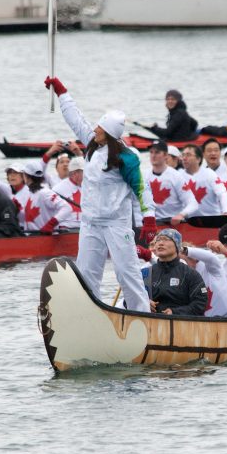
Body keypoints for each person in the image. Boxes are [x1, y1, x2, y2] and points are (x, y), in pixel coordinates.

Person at [45, 75, 156, 313]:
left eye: (100, 127)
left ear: (109, 132)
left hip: (116, 223)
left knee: (127, 272)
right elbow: (76, 120)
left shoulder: (127, 158)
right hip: (90, 223)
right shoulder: (93, 146)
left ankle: (143, 314)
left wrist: (149, 217)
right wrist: (61, 93)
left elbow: (141, 188)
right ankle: (89, 314)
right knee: (86, 273)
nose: (94, 129)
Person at [140, 228, 208, 315]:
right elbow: (128, 301)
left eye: (166, 239)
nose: (160, 243)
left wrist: (175, 312)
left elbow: (200, 304)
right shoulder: (145, 273)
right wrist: (143, 302)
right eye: (158, 240)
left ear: (177, 246)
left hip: (181, 324)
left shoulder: (190, 274)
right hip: (150, 324)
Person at [146, 141, 197, 224]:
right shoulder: (144, 175)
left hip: (172, 223)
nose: (153, 155)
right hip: (152, 224)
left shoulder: (177, 176)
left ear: (166, 155)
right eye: (151, 152)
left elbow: (193, 203)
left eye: (157, 152)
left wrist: (181, 215)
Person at [182, 242, 227, 317]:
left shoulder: (209, 267)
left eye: (181, 260)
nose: (180, 264)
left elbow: (211, 257)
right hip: (208, 322)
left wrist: (184, 250)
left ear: (193, 257)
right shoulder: (182, 277)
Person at [18, 160, 72, 234]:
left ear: (27, 177)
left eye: (23, 174)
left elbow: (67, 208)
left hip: (46, 238)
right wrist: (17, 209)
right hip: (32, 237)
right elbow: (27, 218)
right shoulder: (29, 193)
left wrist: (51, 224)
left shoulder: (45, 193)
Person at [179, 143, 227, 217]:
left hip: (210, 219)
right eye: (183, 155)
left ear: (198, 159)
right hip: (187, 221)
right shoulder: (178, 176)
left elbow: (222, 194)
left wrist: (226, 211)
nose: (184, 158)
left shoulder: (210, 174)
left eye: (188, 155)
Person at [52, 156, 84, 230]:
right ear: (76, 173)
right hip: (66, 230)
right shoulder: (57, 189)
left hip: (85, 229)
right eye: (85, 172)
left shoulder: (89, 187)